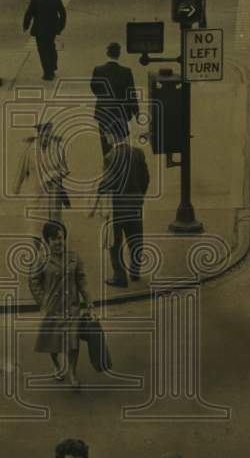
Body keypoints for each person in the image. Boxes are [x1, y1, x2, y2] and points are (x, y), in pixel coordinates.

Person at [29, 222, 92, 388]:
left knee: (73, 341)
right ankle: (57, 364)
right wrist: (43, 301)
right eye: (55, 239)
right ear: (47, 241)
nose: (59, 242)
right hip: (52, 308)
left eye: (61, 238)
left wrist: (89, 300)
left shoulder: (74, 256)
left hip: (71, 307)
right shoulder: (42, 259)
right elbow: (34, 282)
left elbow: (81, 279)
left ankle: (72, 373)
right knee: (53, 341)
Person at [90, 139, 149, 288]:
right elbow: (145, 178)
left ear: (112, 136)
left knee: (115, 243)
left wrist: (99, 188)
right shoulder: (138, 153)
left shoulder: (110, 157)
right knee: (135, 238)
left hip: (117, 206)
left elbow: (109, 182)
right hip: (135, 203)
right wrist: (140, 195)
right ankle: (135, 272)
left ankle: (120, 277)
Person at [13, 122, 69, 240]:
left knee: (54, 229)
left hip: (53, 195)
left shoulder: (57, 149)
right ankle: (38, 255)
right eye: (43, 135)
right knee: (36, 230)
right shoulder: (29, 151)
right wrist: (16, 188)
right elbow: (21, 170)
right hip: (36, 195)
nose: (46, 138)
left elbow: (64, 169)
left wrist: (55, 175)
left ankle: (53, 255)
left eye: (48, 135)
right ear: (39, 135)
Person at [90, 42, 139, 158]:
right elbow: (130, 94)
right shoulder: (126, 71)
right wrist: (135, 111)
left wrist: (103, 98)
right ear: (119, 54)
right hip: (120, 112)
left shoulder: (98, 70)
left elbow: (94, 87)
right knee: (120, 142)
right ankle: (120, 164)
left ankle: (108, 164)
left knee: (105, 143)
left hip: (104, 111)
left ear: (107, 53)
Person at [22, 0, 67, 81]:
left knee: (43, 50)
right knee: (51, 47)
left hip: (39, 30)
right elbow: (63, 13)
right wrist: (60, 26)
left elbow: (29, 14)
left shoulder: (35, 0)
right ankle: (53, 66)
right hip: (52, 29)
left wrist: (26, 26)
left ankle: (48, 72)